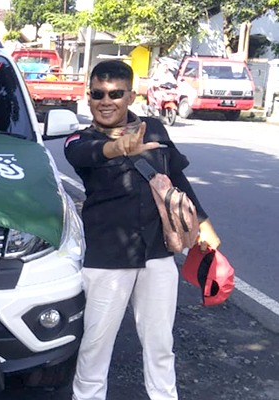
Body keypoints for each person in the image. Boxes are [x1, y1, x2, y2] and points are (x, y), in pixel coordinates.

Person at [64, 60, 221, 400]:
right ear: (88, 97)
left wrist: (204, 226)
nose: (106, 101)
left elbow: (177, 179)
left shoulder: (154, 130)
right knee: (95, 347)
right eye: (98, 94)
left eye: (115, 94)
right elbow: (85, 154)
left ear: (130, 95)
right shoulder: (79, 138)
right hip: (107, 258)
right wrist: (117, 148)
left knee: (161, 344)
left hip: (157, 253)